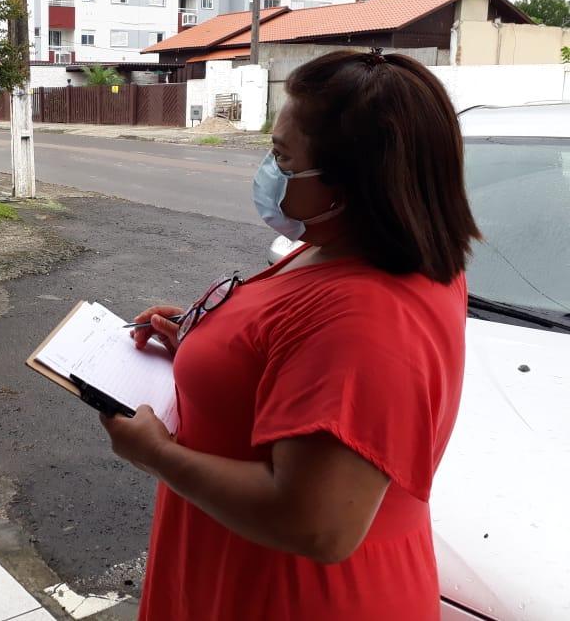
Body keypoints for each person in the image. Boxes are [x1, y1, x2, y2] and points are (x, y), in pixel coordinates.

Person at [100, 50, 479, 620]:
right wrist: (213, 348)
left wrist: (156, 455)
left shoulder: (369, 316)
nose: (268, 168)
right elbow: (291, 360)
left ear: (344, 185)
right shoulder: (344, 248)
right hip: (239, 565)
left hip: (289, 596)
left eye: (282, 155)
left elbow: (317, 524)